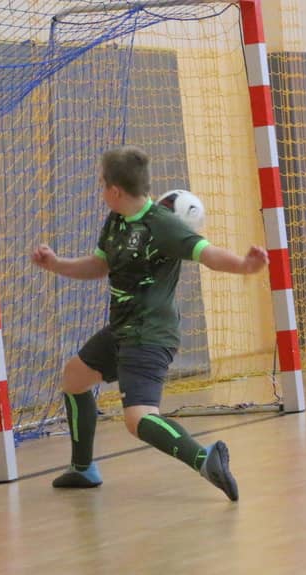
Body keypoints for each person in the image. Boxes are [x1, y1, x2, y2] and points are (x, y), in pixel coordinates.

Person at [32, 145, 268, 501]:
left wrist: (245, 266)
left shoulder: (162, 225)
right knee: (74, 378)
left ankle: (204, 458)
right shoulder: (116, 221)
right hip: (122, 329)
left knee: (138, 418)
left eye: (101, 183)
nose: (100, 188)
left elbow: (207, 253)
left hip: (149, 334)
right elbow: (99, 266)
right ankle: (83, 469)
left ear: (115, 190)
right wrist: (56, 264)